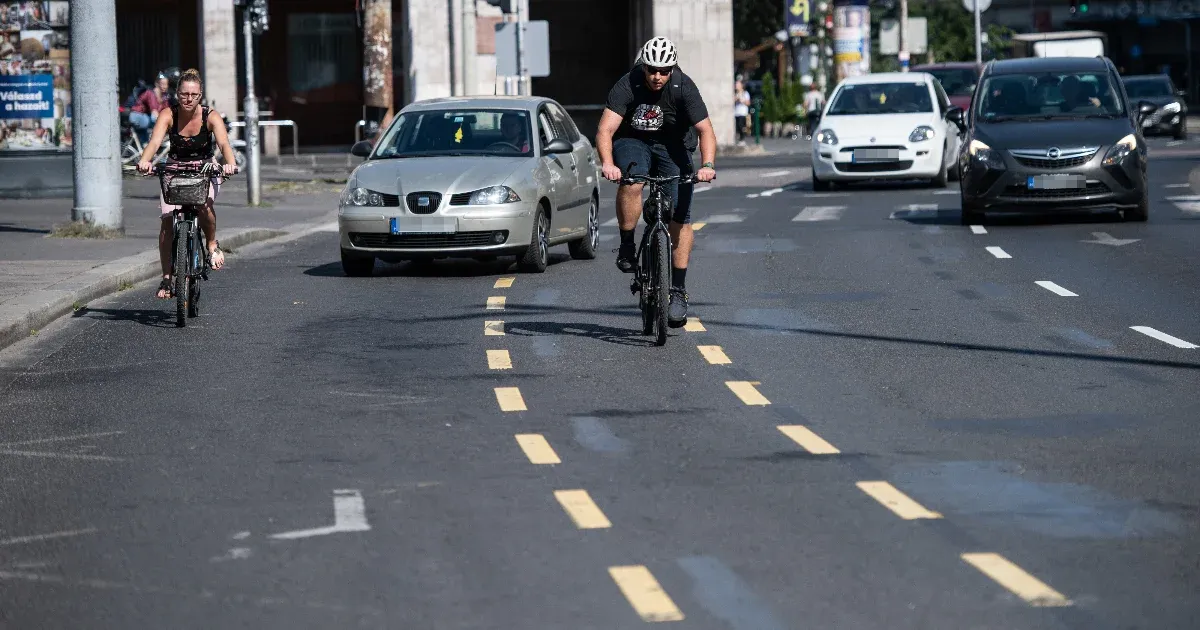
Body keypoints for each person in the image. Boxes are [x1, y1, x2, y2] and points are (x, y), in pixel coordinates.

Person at [595, 36, 717, 328]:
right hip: (633, 140)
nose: (657, 76)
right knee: (633, 181)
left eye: (664, 71)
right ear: (644, 67)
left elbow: (706, 131)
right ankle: (626, 245)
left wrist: (708, 165)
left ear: (672, 69)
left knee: (680, 219)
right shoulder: (628, 83)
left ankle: (677, 291)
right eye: (652, 70)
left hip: (673, 145)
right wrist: (609, 163)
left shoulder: (683, 87)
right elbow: (605, 130)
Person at [137, 68, 238, 300]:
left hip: (204, 169)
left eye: (193, 95)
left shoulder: (210, 116)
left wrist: (229, 164)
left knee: (204, 206)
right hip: (175, 169)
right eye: (184, 94)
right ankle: (166, 278)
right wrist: (145, 161)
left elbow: (224, 145)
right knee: (166, 222)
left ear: (200, 95)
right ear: (177, 94)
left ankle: (211, 244)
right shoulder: (168, 114)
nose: (188, 99)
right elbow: (154, 143)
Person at [129, 75, 168, 144]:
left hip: (145, 118)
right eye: (163, 84)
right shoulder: (150, 93)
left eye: (167, 84)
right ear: (157, 84)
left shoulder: (164, 97)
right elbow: (154, 113)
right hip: (137, 116)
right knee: (155, 120)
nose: (165, 86)